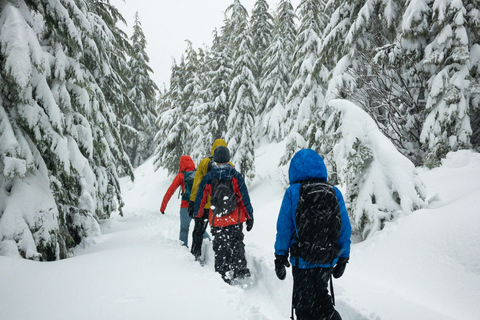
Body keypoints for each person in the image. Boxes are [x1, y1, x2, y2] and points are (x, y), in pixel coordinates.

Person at [274, 149, 351, 320]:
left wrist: (280, 256)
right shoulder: (334, 192)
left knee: (304, 303)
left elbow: (284, 229)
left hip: (302, 260)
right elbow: (344, 228)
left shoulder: (293, 192)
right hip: (326, 259)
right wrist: (343, 258)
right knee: (322, 299)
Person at [194, 146, 254, 284]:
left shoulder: (209, 177)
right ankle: (239, 268)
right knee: (237, 242)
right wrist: (249, 216)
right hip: (235, 219)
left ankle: (223, 272)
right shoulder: (235, 176)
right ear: (228, 158)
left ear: (215, 159)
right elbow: (244, 198)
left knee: (220, 246)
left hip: (217, 219)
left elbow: (200, 198)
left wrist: (198, 214)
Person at [188, 139, 232, 261]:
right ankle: (222, 260)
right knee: (221, 234)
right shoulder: (230, 166)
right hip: (220, 208)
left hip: (204, 206)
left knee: (198, 231)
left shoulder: (204, 163)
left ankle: (195, 254)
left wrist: (192, 202)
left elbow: (197, 184)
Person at [159, 155, 197, 247]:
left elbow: (170, 191)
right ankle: (208, 247)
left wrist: (162, 208)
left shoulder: (181, 176)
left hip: (185, 206)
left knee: (184, 229)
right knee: (200, 229)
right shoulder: (197, 174)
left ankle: (184, 252)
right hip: (197, 205)